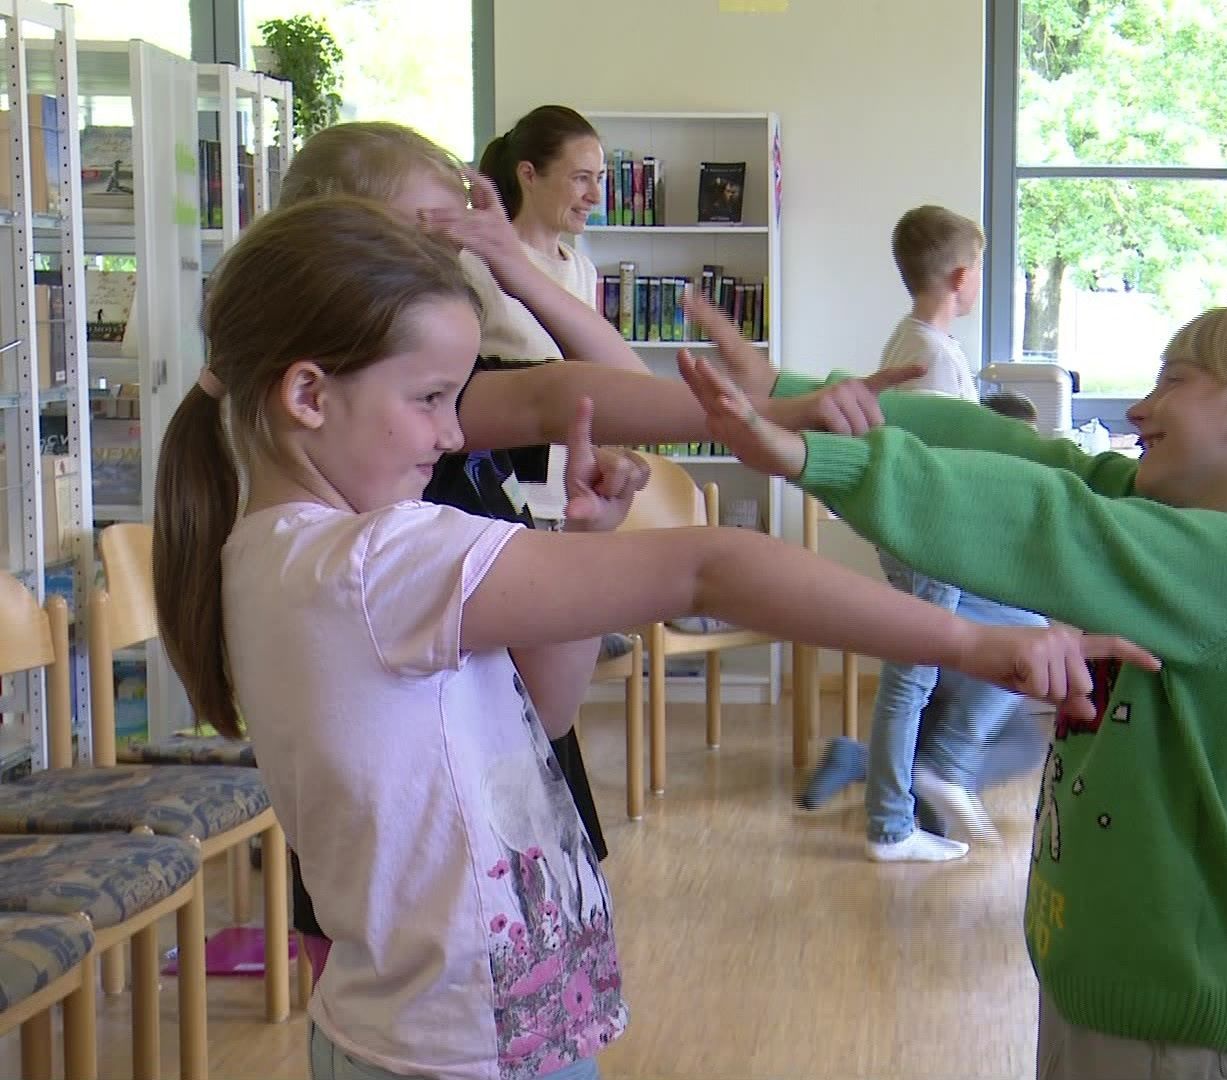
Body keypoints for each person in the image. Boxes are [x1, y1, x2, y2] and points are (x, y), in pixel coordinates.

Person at [150, 197, 1156, 1080]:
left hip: (466, 1028)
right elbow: (709, 564)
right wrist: (982, 647)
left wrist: (582, 543)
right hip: (460, 1050)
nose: (452, 436)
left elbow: (531, 715)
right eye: (426, 402)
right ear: (309, 395)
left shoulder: (292, 558)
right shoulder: (373, 562)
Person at [269, 120, 924, 980]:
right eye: (427, 236)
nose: (447, 261)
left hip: (505, 803)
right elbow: (576, 401)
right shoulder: (359, 419)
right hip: (409, 854)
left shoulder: (423, 404)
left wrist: (510, 264)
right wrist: (776, 418)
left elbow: (608, 388)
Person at [685, 299, 1227, 1079]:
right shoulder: (1191, 521)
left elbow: (1049, 519)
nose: (1141, 407)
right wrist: (809, 398)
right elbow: (1034, 459)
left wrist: (817, 459)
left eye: (1172, 382)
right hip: (1104, 974)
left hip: (1154, 1007)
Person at [820, 204, 1030, 859]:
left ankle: (925, 774)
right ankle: (893, 819)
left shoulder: (916, 342)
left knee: (1017, 629)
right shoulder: (930, 358)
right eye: (981, 271)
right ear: (962, 276)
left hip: (927, 538)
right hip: (931, 539)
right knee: (911, 675)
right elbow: (941, 464)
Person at [801, 390, 1055, 821]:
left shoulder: (950, 497)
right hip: (959, 660)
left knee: (1007, 733)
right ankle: (938, 778)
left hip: (946, 665)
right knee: (1023, 741)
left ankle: (871, 766)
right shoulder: (966, 505)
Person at [474, 105, 612, 363]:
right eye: (581, 178)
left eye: (599, 178)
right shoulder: (477, 264)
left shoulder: (583, 270)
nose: (596, 196)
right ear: (528, 175)